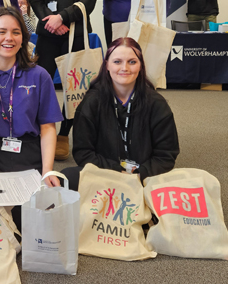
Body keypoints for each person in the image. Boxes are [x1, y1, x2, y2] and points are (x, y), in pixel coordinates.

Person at [0, 6, 63, 230]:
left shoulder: (40, 75)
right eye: (2, 32)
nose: (9, 38)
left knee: (31, 222)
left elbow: (47, 127)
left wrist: (47, 170)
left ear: (23, 38)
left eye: (16, 32)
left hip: (28, 150)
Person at [62, 37, 179, 191]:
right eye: (117, 62)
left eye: (132, 62)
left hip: (145, 178)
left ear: (141, 66)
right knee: (65, 177)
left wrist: (138, 175)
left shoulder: (156, 104)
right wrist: (118, 173)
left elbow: (166, 154)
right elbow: (83, 153)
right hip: (104, 175)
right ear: (107, 66)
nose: (125, 68)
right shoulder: (91, 103)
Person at [28, 0, 98, 161]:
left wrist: (63, 17)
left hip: (75, 34)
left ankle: (63, 134)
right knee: (40, 84)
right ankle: (41, 131)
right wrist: (50, 19)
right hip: (47, 33)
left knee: (74, 90)